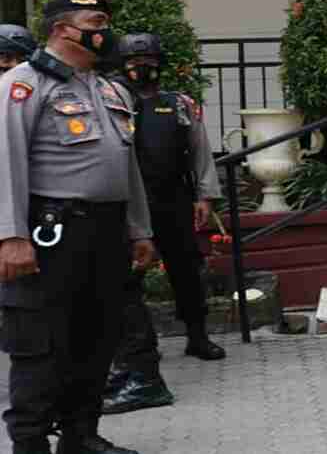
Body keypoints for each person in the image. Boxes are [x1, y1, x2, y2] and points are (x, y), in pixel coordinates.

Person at [0, 0, 154, 454]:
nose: (106, 29)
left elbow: (127, 168)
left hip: (106, 233)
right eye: (97, 20)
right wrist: (10, 236)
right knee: (42, 347)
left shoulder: (108, 87)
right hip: (53, 232)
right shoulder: (22, 85)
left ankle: (80, 435)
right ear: (64, 29)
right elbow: (5, 162)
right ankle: (30, 443)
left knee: (97, 337)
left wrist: (139, 229)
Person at [101, 33, 225, 416]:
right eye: (135, 60)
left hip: (173, 200)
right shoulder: (110, 102)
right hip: (128, 205)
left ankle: (197, 335)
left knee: (187, 270)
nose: (142, 66)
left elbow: (200, 150)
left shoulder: (179, 104)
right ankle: (128, 357)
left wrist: (204, 196)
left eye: (150, 58)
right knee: (125, 281)